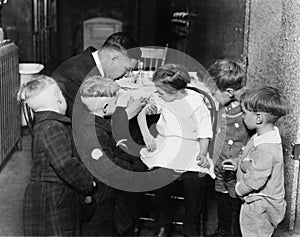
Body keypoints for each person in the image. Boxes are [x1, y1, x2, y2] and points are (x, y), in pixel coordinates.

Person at [137, 64, 213, 237]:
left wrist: (202, 154)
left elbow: (204, 133)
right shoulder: (162, 98)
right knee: (159, 178)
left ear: (175, 91)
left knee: (194, 181)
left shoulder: (196, 103)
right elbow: (142, 114)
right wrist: (147, 135)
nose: (158, 95)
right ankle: (163, 222)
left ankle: (191, 226)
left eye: (161, 92)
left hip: (191, 146)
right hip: (167, 145)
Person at [18, 75, 96, 236]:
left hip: (45, 195)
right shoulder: (53, 127)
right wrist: (88, 183)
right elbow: (65, 164)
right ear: (58, 99)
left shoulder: (42, 124)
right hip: (54, 198)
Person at [75, 76, 140, 236]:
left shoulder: (86, 120)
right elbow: (109, 167)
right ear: (105, 108)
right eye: (116, 102)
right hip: (101, 195)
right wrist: (131, 167)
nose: (119, 105)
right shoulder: (96, 133)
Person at [203, 59, 250, 237]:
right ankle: (222, 229)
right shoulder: (223, 104)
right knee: (221, 195)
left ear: (229, 92)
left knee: (236, 199)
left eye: (214, 93)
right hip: (221, 162)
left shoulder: (248, 109)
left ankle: (237, 232)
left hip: (238, 165)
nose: (212, 96)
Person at [52, 31, 142, 118]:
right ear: (112, 59)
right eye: (126, 69)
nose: (127, 75)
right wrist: (127, 114)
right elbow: (88, 126)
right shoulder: (76, 76)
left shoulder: (89, 64)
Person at [236, 86, 287, 237]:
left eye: (244, 113)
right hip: (257, 200)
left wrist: (240, 189)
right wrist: (238, 162)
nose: (242, 117)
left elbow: (256, 179)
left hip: (259, 204)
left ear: (259, 118)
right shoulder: (262, 136)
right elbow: (253, 160)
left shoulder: (266, 148)